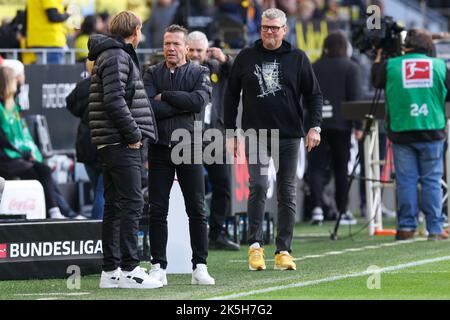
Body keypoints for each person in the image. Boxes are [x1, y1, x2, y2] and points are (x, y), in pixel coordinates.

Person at [224, 8, 323, 271]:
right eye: (266, 27)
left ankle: (283, 251)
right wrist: (231, 132)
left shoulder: (298, 58)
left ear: (284, 30)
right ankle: (255, 246)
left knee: (286, 191)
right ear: (260, 29)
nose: (270, 32)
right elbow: (230, 95)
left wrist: (315, 127)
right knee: (257, 185)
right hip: (255, 134)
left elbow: (314, 95)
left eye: (275, 28)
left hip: (289, 135)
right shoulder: (246, 57)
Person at [87, 11, 161, 289]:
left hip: (113, 141)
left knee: (115, 205)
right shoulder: (117, 56)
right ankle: (130, 268)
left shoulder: (111, 54)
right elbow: (114, 99)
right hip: (120, 141)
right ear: (137, 30)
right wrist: (132, 134)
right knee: (132, 203)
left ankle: (111, 271)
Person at [143, 24, 215, 285]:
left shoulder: (200, 71)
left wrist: (168, 97)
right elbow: (150, 108)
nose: (171, 48)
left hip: (189, 147)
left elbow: (198, 102)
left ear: (186, 48)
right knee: (157, 209)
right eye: (166, 44)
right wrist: (179, 105)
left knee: (196, 208)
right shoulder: (151, 73)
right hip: (160, 147)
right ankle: (158, 266)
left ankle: (200, 266)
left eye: (175, 44)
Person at [372, 29, 449, 241]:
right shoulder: (440, 66)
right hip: (432, 129)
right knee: (432, 181)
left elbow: (375, 81)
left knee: (406, 181)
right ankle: (435, 228)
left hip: (401, 131)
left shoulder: (392, 65)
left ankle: (406, 228)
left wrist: (379, 56)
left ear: (406, 46)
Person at [186, 30, 240, 251]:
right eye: (192, 50)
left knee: (223, 186)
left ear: (207, 51)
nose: (196, 54)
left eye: (200, 50)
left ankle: (216, 233)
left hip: (214, 135)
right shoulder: (180, 70)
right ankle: (191, 236)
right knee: (194, 190)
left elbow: (239, 73)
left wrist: (225, 58)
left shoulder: (214, 68)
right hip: (188, 137)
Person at [307, 31, 362, 225]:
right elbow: (355, 98)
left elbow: (306, 97)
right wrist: (359, 126)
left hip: (316, 124)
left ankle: (316, 208)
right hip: (342, 125)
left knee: (316, 167)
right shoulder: (351, 67)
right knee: (341, 168)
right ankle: (342, 209)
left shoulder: (314, 67)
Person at [0, 66, 66, 219]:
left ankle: (55, 210)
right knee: (36, 172)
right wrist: (22, 153)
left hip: (16, 155)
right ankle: (50, 211)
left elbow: (20, 136)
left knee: (44, 169)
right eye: (14, 81)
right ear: (6, 83)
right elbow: (3, 141)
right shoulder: (2, 108)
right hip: (6, 159)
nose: (17, 85)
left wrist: (27, 152)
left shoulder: (12, 106)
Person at [66, 61, 104, 219]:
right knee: (103, 194)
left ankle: (98, 233)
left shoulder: (82, 86)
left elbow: (70, 104)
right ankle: (97, 234)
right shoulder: (110, 84)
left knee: (98, 191)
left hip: (86, 144)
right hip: (104, 144)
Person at [26, 0, 72, 64]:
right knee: (54, 72)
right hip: (51, 40)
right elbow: (53, 17)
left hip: (36, 39)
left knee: (41, 72)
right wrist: (68, 14)